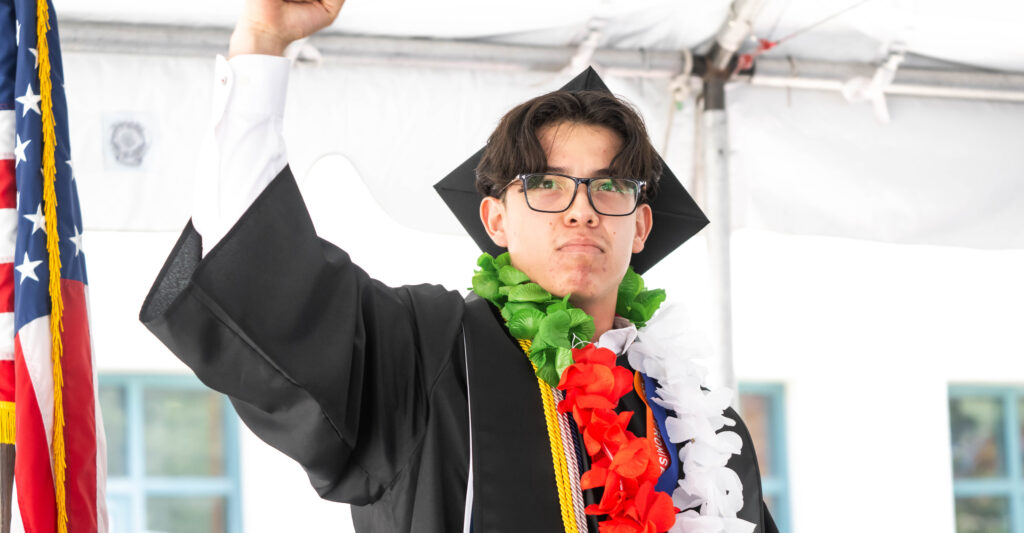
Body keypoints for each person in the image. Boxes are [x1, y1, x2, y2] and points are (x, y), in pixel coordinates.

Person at [140, 1, 779, 532]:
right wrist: (260, 44)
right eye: (547, 186)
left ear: (639, 225)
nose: (581, 212)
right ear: (495, 220)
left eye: (609, 189)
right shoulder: (428, 351)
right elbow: (267, 281)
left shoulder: (703, 427)